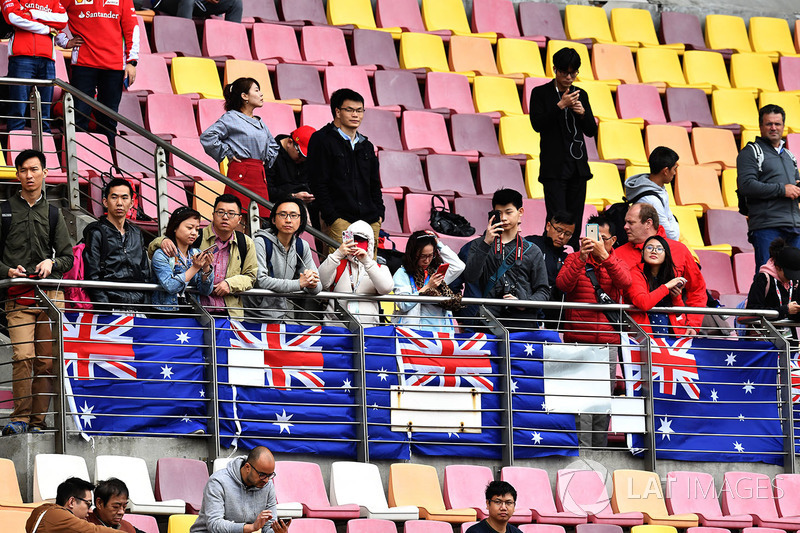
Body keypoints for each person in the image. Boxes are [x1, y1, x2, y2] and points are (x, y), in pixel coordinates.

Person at [0, 149, 73, 436]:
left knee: (46, 361)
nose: (29, 175)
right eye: (23, 170)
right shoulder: (3, 210)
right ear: (16, 175)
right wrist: (7, 271)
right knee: (22, 357)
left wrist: (51, 262)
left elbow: (68, 258)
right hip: (17, 295)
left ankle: (37, 422)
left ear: (44, 172)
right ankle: (19, 418)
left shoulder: (55, 213)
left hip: (50, 298)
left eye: (34, 169)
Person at [556, 215, 631, 448]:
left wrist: (605, 258)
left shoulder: (617, 262)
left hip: (606, 346)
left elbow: (625, 282)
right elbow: (562, 285)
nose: (597, 242)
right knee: (579, 405)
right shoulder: (573, 259)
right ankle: (580, 455)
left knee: (601, 405)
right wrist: (582, 257)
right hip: (577, 343)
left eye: (603, 238)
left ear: (613, 240)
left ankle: (600, 452)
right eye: (592, 237)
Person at [530, 46, 596, 249]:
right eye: (564, 72)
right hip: (554, 169)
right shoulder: (540, 93)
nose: (569, 77)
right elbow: (537, 124)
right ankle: (549, 260)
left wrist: (582, 113)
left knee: (574, 219)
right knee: (556, 219)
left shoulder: (581, 94)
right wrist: (560, 106)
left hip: (578, 167)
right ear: (555, 70)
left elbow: (591, 130)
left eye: (573, 73)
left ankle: (573, 261)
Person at [150, 194, 258, 318]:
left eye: (231, 213)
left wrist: (229, 284)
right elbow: (155, 250)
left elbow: (251, 276)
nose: (225, 217)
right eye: (220, 212)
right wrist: (162, 240)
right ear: (213, 215)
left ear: (239, 219)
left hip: (230, 311)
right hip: (199, 311)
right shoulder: (197, 237)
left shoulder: (245, 242)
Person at [307, 88, 384, 256]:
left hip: (370, 220)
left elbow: (374, 184)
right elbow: (318, 182)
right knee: (339, 271)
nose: (355, 115)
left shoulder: (366, 146)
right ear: (337, 111)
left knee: (368, 272)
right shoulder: (321, 139)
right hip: (339, 219)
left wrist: (379, 214)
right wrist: (332, 217)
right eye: (349, 110)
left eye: (359, 110)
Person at [462, 188, 550, 326]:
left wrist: (524, 303)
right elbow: (471, 277)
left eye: (509, 212)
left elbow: (544, 291)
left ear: (520, 212)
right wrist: (486, 243)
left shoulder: (532, 250)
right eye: (499, 213)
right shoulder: (480, 245)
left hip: (523, 321)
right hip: (489, 322)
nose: (503, 218)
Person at [615, 203, 707, 331]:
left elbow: (697, 290)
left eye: (631, 222)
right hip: (635, 334)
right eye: (626, 222)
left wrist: (693, 324)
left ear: (648, 223)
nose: (625, 227)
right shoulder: (618, 254)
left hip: (675, 333)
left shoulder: (679, 250)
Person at [55, 0, 138, 139]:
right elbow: (51, 12)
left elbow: (132, 28)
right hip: (83, 64)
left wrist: (132, 61)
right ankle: (79, 157)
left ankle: (107, 158)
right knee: (79, 116)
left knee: (109, 120)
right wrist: (64, 41)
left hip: (114, 66)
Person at [200, 77, 279, 220]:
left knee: (257, 221)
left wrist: (266, 160)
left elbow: (273, 146)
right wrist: (227, 152)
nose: (261, 94)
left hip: (259, 175)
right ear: (244, 96)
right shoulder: (231, 117)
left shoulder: (260, 122)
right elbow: (208, 136)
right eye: (256, 90)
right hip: (241, 172)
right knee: (237, 218)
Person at [737, 104, 800, 270]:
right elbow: (746, 186)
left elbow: (794, 185)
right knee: (767, 277)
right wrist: (782, 189)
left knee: (795, 280)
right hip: (767, 227)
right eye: (769, 124)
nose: (774, 128)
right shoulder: (751, 152)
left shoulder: (789, 156)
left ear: (783, 126)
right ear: (760, 127)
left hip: (794, 227)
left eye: (777, 124)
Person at [244, 196, 322, 321]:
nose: (288, 220)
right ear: (274, 220)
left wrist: (311, 284)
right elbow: (261, 281)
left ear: (301, 221)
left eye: (293, 215)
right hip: (251, 317)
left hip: (280, 316)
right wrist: (299, 283)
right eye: (283, 215)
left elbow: (318, 287)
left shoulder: (302, 246)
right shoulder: (261, 242)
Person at [82, 178, 149, 312]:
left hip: (138, 307)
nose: (119, 203)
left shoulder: (136, 233)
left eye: (124, 198)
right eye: (114, 197)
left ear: (131, 203)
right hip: (110, 307)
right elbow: (92, 275)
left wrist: (145, 305)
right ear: (105, 202)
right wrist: (106, 309)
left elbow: (144, 273)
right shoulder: (96, 232)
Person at [1, 0, 67, 132]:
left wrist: (32, 13)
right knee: (18, 109)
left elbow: (63, 20)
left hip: (47, 59)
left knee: (44, 113)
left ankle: (45, 150)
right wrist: (47, 28)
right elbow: (14, 18)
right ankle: (16, 148)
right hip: (21, 58)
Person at [191, 446, 289, 533]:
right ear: (247, 467)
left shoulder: (268, 485)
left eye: (270, 475)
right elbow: (214, 525)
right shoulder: (218, 482)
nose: (266, 480)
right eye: (262, 475)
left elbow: (268, 527)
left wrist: (278, 532)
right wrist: (251, 527)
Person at [318, 220, 393, 326]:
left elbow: (385, 288)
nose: (357, 243)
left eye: (361, 240)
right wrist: (337, 254)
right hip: (336, 332)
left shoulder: (380, 268)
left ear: (370, 243)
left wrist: (367, 261)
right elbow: (320, 283)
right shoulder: (337, 264)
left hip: (367, 332)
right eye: (353, 239)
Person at [392, 230, 465, 332]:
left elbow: (459, 266)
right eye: (423, 256)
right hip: (414, 334)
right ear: (413, 254)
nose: (427, 260)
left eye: (430, 255)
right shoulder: (402, 273)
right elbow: (403, 305)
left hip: (442, 333)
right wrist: (427, 288)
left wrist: (438, 244)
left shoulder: (435, 273)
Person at [625, 235, 695, 336]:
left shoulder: (669, 276)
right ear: (642, 252)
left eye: (659, 249)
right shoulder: (635, 273)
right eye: (649, 247)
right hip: (643, 339)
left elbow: (679, 314)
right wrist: (666, 287)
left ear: (666, 255)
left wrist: (676, 298)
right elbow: (643, 302)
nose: (654, 251)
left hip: (668, 338)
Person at [151, 207, 215, 312]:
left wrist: (206, 268)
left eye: (197, 229)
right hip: (165, 312)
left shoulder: (195, 253)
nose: (194, 233)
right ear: (175, 227)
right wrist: (195, 268)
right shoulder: (161, 254)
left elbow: (205, 291)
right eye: (189, 228)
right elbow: (170, 286)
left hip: (192, 311)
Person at [526, 211, 574, 327]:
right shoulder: (531, 244)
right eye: (559, 230)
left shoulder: (567, 259)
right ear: (548, 226)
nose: (562, 236)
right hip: (529, 309)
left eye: (567, 234)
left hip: (555, 317)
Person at [624, 146, 681, 241]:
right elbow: (671, 236)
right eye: (674, 169)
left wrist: (671, 220)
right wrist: (675, 222)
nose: (675, 173)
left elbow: (669, 218)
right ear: (666, 171)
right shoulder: (651, 200)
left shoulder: (659, 189)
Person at [26, 477, 118, 533]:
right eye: (88, 504)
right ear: (71, 502)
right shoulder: (57, 516)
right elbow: (93, 531)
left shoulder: (50, 513)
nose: (90, 510)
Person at [746, 238, 800, 321]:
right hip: (763, 332)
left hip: (787, 332)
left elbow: (793, 317)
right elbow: (752, 311)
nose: (790, 279)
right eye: (788, 276)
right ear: (778, 268)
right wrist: (785, 310)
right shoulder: (763, 279)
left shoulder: (794, 281)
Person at [151, 0, 242, 23]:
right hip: (164, 2)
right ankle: (183, 44)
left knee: (235, 3)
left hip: (197, 3)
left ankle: (232, 48)